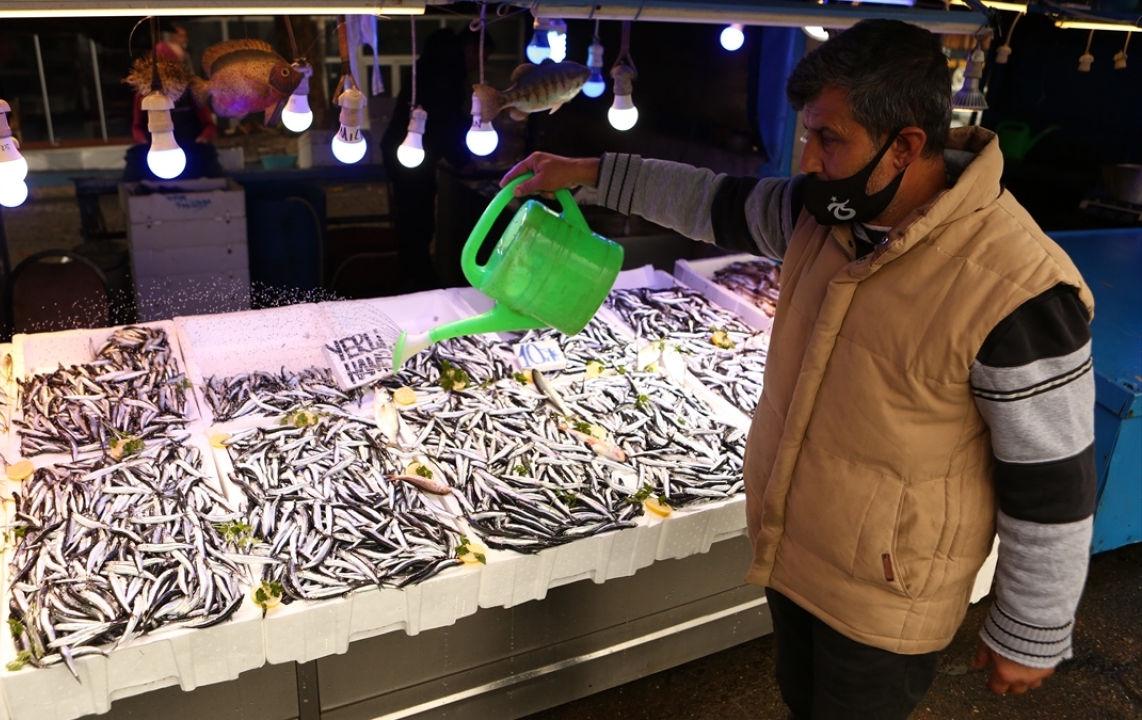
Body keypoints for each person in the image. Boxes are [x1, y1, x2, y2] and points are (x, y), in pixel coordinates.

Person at [503, 19, 1095, 720]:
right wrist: (593, 174)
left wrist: (1030, 632)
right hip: (796, 554)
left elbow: (1053, 484)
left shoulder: (1016, 287)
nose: (807, 160)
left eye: (830, 139)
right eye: (808, 134)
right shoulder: (827, 213)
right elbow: (709, 200)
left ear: (906, 145)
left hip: (886, 597)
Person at [380, 27, 490, 291]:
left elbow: (447, 118)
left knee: (413, 220)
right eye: (482, 57)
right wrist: (462, 159)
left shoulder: (436, 65)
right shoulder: (444, 71)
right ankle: (417, 283)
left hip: (407, 151)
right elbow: (444, 121)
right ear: (471, 49)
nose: (481, 65)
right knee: (416, 220)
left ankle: (415, 278)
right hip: (410, 152)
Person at [123, 32, 221, 182]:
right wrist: (142, 141)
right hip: (157, 155)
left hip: (190, 152)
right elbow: (137, 126)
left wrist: (204, 138)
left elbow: (208, 124)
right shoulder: (142, 95)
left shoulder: (191, 92)